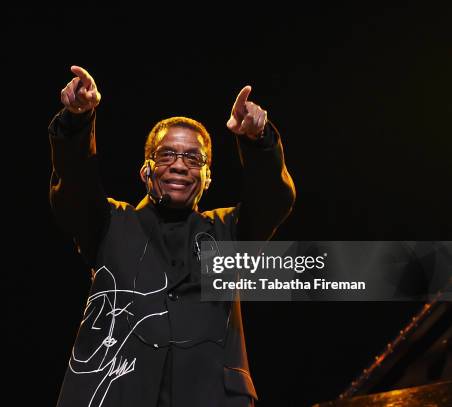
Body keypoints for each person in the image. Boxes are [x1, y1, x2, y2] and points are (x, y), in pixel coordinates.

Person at [49, 65, 296, 407]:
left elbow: (273, 199)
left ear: (207, 178)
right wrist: (78, 119)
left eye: (194, 159)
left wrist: (259, 138)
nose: (180, 165)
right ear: (145, 170)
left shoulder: (227, 233)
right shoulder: (109, 224)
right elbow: (73, 183)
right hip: (114, 394)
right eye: (167, 155)